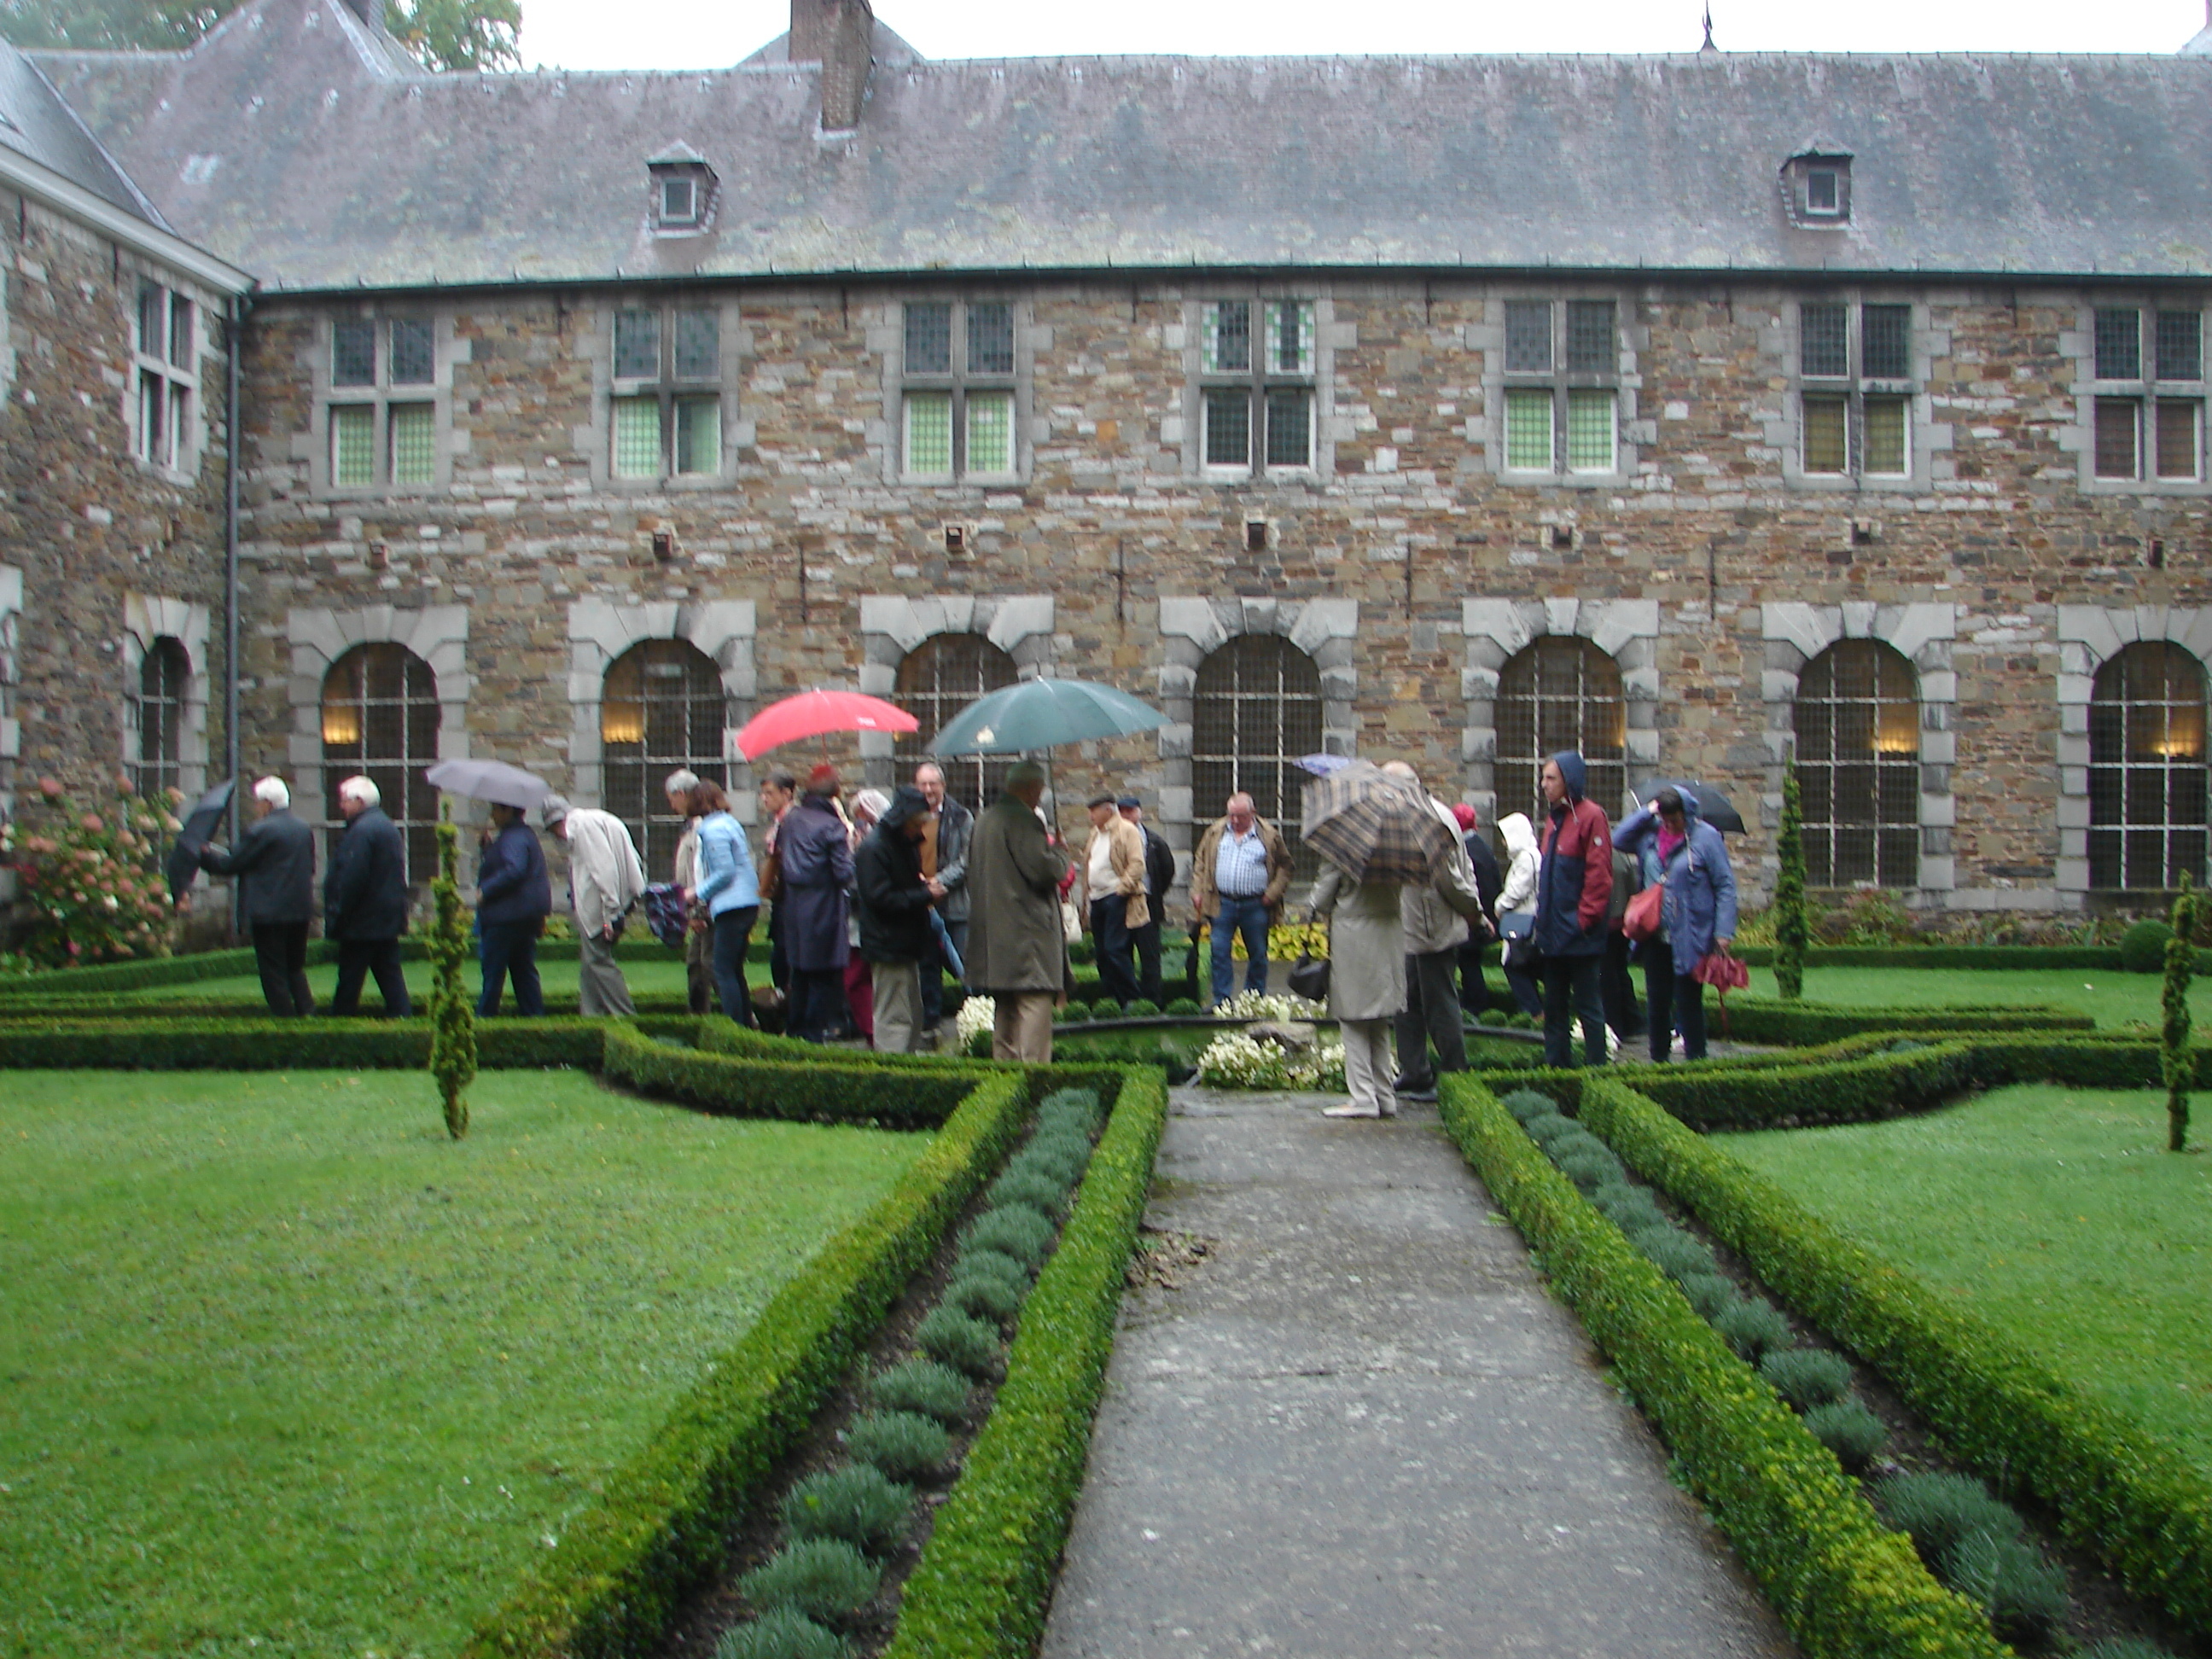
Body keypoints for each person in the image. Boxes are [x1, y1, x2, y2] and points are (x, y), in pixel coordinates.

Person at [1381, 763, 1486, 1103]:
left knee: (1439, 1003)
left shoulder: (1430, 819)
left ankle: (1455, 1074)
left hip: (1431, 926)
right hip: (1408, 926)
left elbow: (1451, 876)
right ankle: (1415, 1072)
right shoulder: (1410, 815)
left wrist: (1473, 911)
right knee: (1405, 1002)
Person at [1616, 785, 1738, 1062]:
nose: (1669, 825)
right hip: (1653, 934)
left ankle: (1696, 1061)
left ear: (1687, 814)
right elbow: (1618, 838)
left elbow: (1725, 885)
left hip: (1691, 934)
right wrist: (1647, 811)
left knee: (1688, 1003)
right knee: (1657, 1005)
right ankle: (1658, 1061)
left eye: (1675, 820)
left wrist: (1723, 932)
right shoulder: (1649, 835)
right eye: (1665, 819)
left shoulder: (1706, 838)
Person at [966, 760, 1072, 1062]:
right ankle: (1032, 1085)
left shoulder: (984, 819)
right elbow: (1044, 870)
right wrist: (1060, 854)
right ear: (1029, 789)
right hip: (1028, 939)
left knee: (1007, 1015)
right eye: (1039, 790)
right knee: (1034, 1008)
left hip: (995, 937)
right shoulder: (1023, 820)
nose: (1040, 797)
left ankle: (1004, 1083)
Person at [197, 775, 317, 1017]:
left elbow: (232, 864)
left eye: (257, 802)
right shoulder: (303, 829)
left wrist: (204, 855)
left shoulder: (261, 830)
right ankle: (308, 1014)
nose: (255, 807)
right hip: (299, 910)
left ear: (267, 803)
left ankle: (285, 1021)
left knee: (272, 972)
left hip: (269, 912)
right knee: (294, 968)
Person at [1307, 849, 1408, 1121]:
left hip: (1355, 936)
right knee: (1378, 1020)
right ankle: (1384, 1095)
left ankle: (1363, 1097)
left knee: (1352, 1017)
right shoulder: (1396, 849)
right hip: (1389, 933)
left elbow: (1321, 900)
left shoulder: (1343, 849)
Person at [1533, 752, 1614, 1068]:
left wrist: (1583, 920)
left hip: (1579, 936)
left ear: (1569, 780)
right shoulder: (1555, 819)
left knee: (1588, 1008)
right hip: (1554, 933)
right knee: (1554, 1008)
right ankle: (1557, 1068)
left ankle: (1596, 1070)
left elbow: (1599, 876)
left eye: (1551, 778)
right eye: (1543, 777)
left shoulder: (1591, 816)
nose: (1544, 785)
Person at [539, 793, 646, 1016]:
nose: (556, 837)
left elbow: (604, 870)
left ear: (557, 822)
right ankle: (591, 1014)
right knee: (590, 963)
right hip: (602, 908)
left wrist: (611, 914)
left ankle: (624, 1014)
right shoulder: (590, 821)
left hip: (602, 910)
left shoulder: (582, 827)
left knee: (598, 961)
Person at [855, 783, 944, 1054]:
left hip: (905, 942)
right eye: (917, 824)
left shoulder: (901, 843)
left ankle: (905, 1064)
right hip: (887, 944)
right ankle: (893, 1069)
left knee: (912, 1013)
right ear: (905, 820)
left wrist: (922, 890)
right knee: (894, 1017)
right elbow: (880, 899)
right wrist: (923, 894)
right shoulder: (874, 849)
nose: (920, 831)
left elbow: (899, 887)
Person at [1190, 791, 1294, 1007]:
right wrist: (1197, 890)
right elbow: (1200, 862)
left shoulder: (1269, 835)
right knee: (1219, 952)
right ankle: (1222, 1001)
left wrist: (1271, 894)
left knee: (1257, 954)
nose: (1235, 820)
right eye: (1231, 815)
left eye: (1240, 816)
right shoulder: (1215, 832)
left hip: (1255, 905)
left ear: (1253, 813)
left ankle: (1252, 1001)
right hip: (1222, 902)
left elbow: (1286, 867)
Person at [777, 764, 856, 1043]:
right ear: (834, 794)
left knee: (800, 975)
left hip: (795, 907)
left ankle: (796, 1029)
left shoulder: (792, 819)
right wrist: (851, 845)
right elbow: (844, 873)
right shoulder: (832, 827)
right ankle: (812, 1036)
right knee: (822, 977)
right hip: (823, 909)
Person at [324, 774, 411, 1017]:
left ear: (360, 801)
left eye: (344, 800)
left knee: (349, 983)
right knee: (391, 979)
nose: (341, 806)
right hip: (385, 919)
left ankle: (338, 1031)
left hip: (362, 923)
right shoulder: (386, 827)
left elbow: (352, 878)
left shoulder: (361, 832)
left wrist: (338, 914)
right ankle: (405, 1023)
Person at [690, 778, 761, 1025]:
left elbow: (725, 871)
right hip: (747, 901)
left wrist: (698, 892)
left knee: (722, 969)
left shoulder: (713, 830)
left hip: (733, 904)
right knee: (733, 968)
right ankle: (744, 1023)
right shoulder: (729, 823)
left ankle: (735, 1026)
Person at [473, 798, 551, 1016]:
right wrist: (488, 849)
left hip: (505, 917)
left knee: (494, 974)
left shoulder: (513, 837)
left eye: (495, 810)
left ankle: (484, 1020)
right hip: (522, 916)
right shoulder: (522, 835)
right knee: (523, 972)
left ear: (507, 810)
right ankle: (535, 1018)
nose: (492, 815)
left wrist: (485, 890)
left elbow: (514, 869)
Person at [915, 761, 973, 1034]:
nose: (928, 789)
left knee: (964, 965)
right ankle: (931, 1023)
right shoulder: (910, 818)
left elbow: (966, 860)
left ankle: (976, 1021)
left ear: (943, 786)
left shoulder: (961, 816)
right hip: (922, 906)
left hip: (955, 905)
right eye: (923, 784)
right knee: (928, 968)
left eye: (933, 784)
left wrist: (940, 882)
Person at [1078, 790, 1145, 1006]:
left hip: (1115, 897)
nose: (1091, 816)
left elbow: (1137, 864)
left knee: (1115, 948)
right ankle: (1112, 998)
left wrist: (1122, 889)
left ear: (1108, 810)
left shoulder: (1127, 831)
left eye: (1093, 811)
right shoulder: (1095, 833)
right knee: (1101, 952)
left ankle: (1131, 998)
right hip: (1097, 898)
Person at [842, 788, 890, 1042]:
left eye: (861, 814)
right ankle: (871, 1030)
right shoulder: (854, 836)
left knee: (866, 977)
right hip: (857, 918)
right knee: (855, 978)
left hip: (872, 917)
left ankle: (877, 1032)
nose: (858, 819)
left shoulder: (882, 839)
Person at [666, 767, 712, 1016]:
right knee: (696, 964)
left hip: (703, 906)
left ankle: (744, 1018)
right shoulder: (692, 825)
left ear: (681, 794)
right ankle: (697, 1014)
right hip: (696, 904)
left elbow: (701, 871)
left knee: (709, 965)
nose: (672, 805)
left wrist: (698, 910)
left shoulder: (701, 827)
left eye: (672, 798)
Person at [1121, 794, 1175, 1005]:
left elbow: (1167, 870)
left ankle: (1153, 1001)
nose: (1126, 815)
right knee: (1122, 953)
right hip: (1121, 905)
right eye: (1122, 811)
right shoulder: (1113, 839)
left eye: (1130, 811)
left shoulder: (1154, 842)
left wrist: (1154, 893)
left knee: (1150, 956)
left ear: (1139, 813)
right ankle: (1127, 1000)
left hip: (1148, 905)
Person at [1452, 801, 1503, 1021]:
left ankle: (1474, 1006)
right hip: (1482, 917)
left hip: (1474, 919)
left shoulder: (1468, 850)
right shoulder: (1480, 846)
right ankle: (1473, 1003)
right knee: (1469, 964)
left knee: (1468, 964)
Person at [1494, 811, 1545, 1018]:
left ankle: (1534, 1012)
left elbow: (1516, 891)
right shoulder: (1530, 856)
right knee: (1525, 966)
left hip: (1522, 920)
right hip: (1527, 919)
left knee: (1514, 966)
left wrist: (1499, 906)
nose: (1504, 843)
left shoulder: (1526, 858)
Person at [759, 770, 797, 1001]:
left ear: (787, 793)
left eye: (769, 793)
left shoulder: (792, 820)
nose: (764, 798)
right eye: (763, 794)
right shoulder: (779, 821)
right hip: (780, 897)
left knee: (785, 955)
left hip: (789, 898)